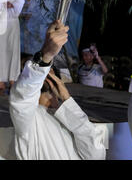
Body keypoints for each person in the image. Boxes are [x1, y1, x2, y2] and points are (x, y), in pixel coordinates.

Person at [9, 21, 107, 160]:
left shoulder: (67, 114)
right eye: (43, 71)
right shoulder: (29, 119)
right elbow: (23, 95)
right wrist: (46, 56)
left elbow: (97, 155)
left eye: (50, 69)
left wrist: (67, 100)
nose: (48, 72)